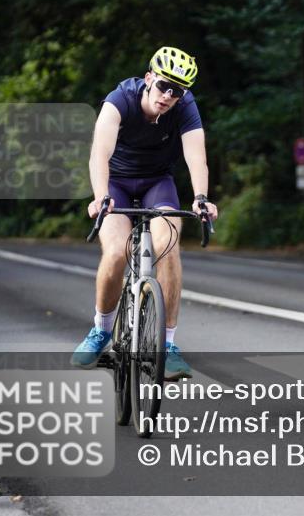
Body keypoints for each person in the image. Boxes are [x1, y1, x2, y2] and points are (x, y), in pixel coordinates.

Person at [71, 46, 219, 380]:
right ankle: (101, 331)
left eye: (177, 91)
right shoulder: (119, 100)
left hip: (157, 183)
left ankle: (166, 346)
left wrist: (200, 198)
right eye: (164, 85)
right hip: (117, 183)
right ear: (149, 78)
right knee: (116, 251)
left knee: (169, 246)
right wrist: (101, 196)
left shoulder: (185, 108)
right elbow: (99, 155)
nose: (168, 96)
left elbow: (197, 156)